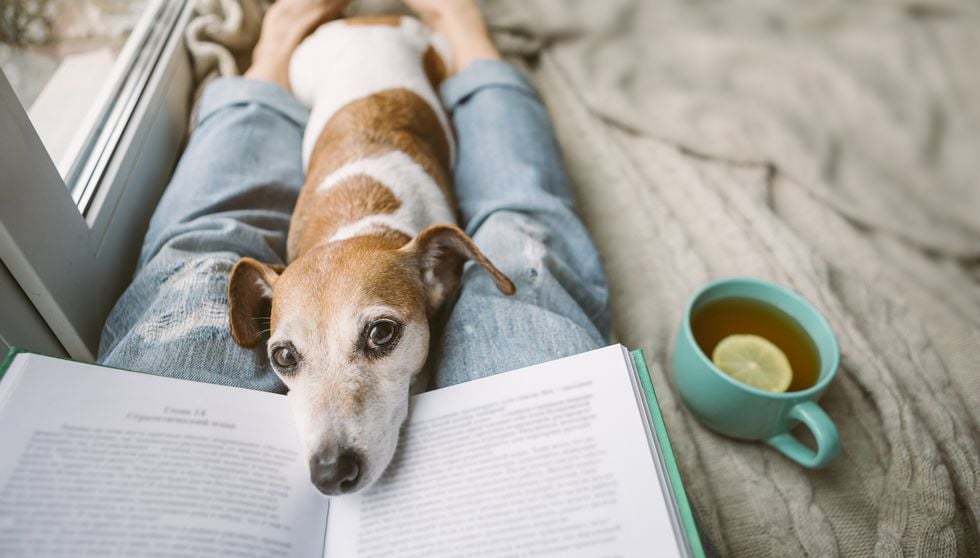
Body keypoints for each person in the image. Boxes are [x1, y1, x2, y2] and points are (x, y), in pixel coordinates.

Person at [98, 0, 611, 393]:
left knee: (203, 248)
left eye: (380, 335)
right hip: (336, 65)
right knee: (521, 226)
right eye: (286, 357)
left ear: (439, 271)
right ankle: (463, 37)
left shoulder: (425, 265)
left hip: (406, 50)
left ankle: (283, 57)